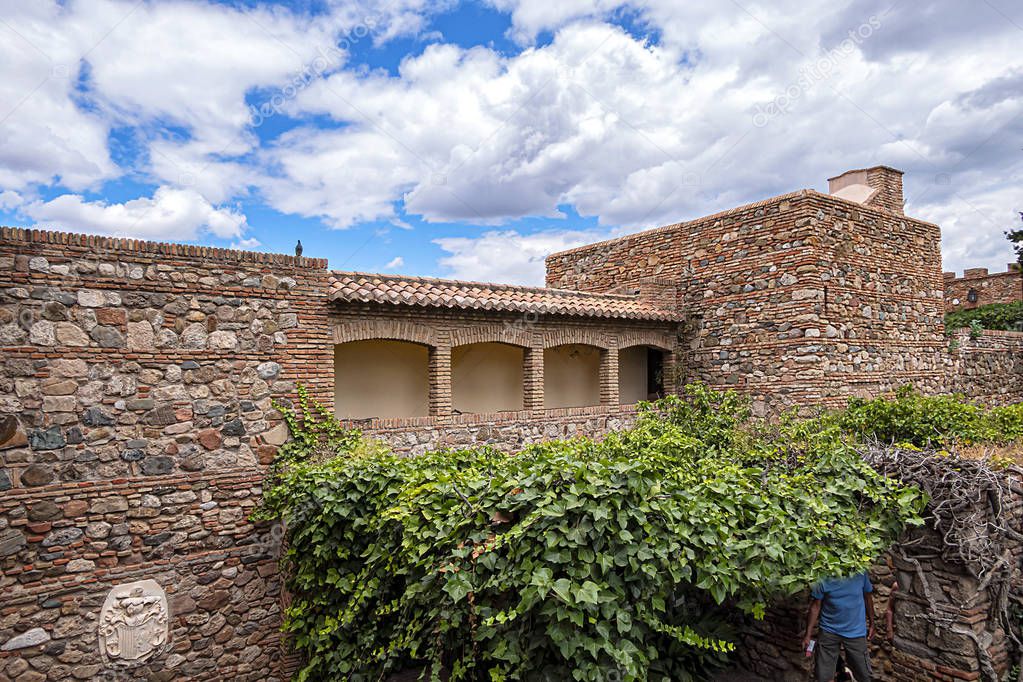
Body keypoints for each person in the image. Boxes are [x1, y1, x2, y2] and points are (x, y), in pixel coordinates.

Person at [802, 571, 875, 682]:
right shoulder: (823, 575)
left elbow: (868, 598)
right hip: (829, 630)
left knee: (864, 675)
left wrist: (872, 623)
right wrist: (808, 635)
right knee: (824, 676)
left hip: (856, 631)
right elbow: (815, 606)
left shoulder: (860, 572)